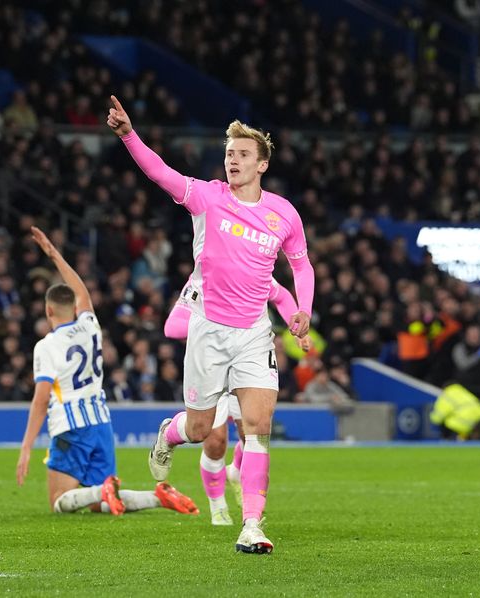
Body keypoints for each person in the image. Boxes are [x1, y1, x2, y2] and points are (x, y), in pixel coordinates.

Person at [108, 95, 314, 554]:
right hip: (208, 329)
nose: (232, 160)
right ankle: (171, 432)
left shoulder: (284, 213)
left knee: (257, 428)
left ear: (261, 164)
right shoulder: (207, 197)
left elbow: (302, 266)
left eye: (242, 154)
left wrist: (304, 309)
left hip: (254, 334)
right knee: (201, 430)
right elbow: (160, 172)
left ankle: (252, 525)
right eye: (228, 154)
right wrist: (128, 136)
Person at [16, 226, 199, 517]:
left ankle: (104, 489)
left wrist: (26, 447)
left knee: (60, 501)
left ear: (48, 311)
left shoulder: (47, 346)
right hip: (100, 423)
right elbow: (83, 293)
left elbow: (40, 400)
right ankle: (158, 496)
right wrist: (54, 255)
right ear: (73, 308)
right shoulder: (90, 326)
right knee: (97, 504)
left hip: (70, 426)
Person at [164, 275, 310, 526]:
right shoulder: (203, 280)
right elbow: (171, 327)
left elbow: (283, 296)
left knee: (251, 432)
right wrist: (210, 328)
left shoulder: (256, 272)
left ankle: (238, 482)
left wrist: (294, 329)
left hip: (245, 357)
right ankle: (217, 504)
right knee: (213, 439)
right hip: (213, 361)